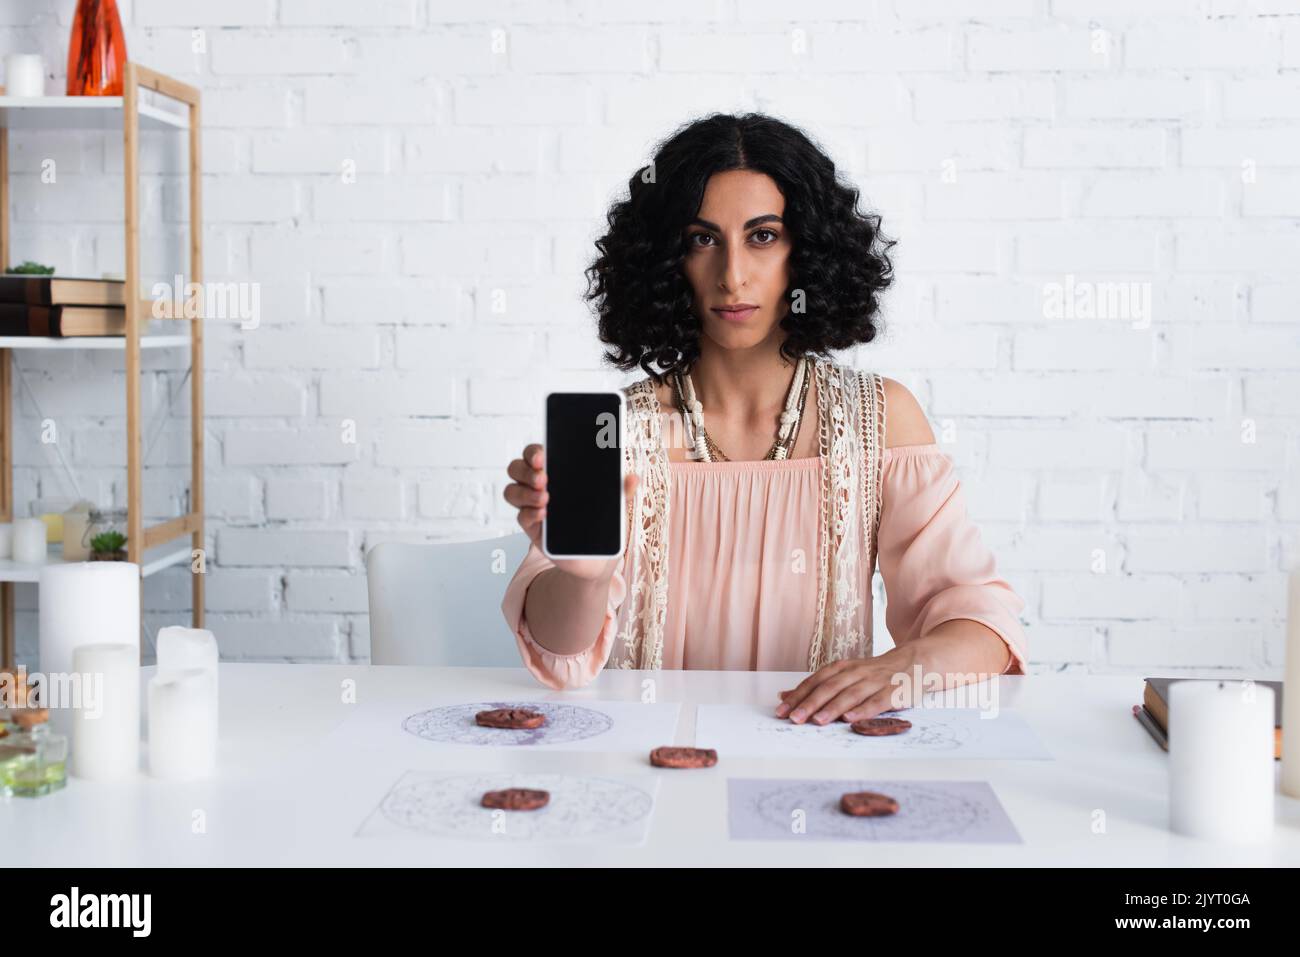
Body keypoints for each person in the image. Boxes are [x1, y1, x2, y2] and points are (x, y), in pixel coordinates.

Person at [500, 112, 1027, 725]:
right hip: (642, 760)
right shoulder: (613, 432)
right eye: (702, 239)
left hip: (812, 760)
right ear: (667, 261)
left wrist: (904, 667)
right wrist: (585, 579)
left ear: (807, 251)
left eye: (763, 236)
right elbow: (559, 656)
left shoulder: (880, 420)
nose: (732, 275)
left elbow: (982, 623)